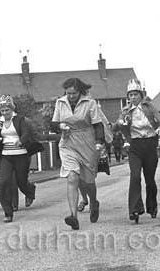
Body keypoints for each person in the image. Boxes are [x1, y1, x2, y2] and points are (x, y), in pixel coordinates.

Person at [51, 78, 104, 230]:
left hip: (87, 142)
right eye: (68, 93)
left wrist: (99, 141)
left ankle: (93, 202)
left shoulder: (90, 103)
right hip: (68, 143)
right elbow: (53, 123)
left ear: (80, 91)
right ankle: (73, 216)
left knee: (88, 181)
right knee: (72, 177)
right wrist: (60, 125)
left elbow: (97, 124)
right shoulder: (60, 102)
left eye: (74, 93)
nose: (71, 96)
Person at [113, 79, 160, 223]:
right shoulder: (126, 111)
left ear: (141, 95)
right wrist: (120, 123)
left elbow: (158, 120)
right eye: (130, 95)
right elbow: (116, 127)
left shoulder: (150, 107)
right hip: (135, 146)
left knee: (150, 179)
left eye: (135, 94)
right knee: (135, 177)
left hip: (150, 144)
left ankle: (152, 206)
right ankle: (134, 209)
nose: (132, 98)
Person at [0, 95, 37, 223]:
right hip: (6, 156)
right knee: (2, 183)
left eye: (7, 110)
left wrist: (21, 141)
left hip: (21, 155)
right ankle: (8, 212)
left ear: (12, 109)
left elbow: (26, 133)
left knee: (21, 182)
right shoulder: (0, 121)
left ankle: (30, 190)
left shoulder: (20, 120)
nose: (5, 113)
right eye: (2, 110)